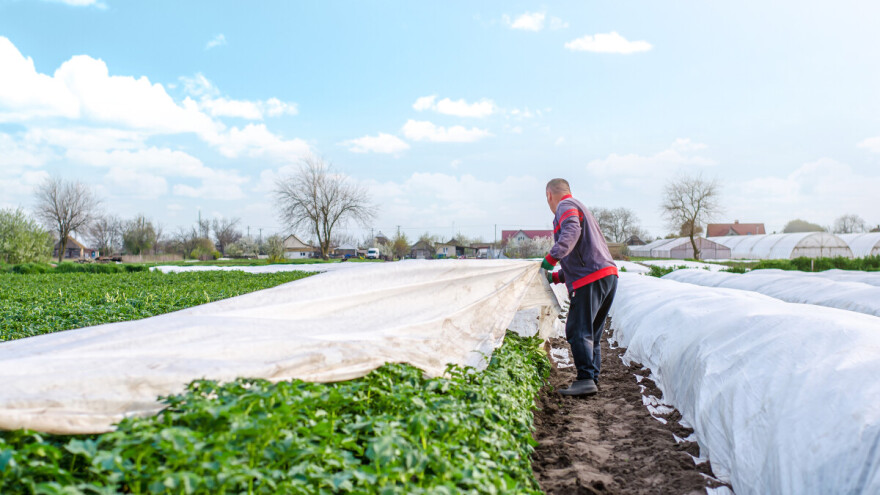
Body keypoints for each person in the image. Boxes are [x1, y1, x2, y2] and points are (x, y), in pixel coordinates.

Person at [541, 178, 618, 396]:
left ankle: (585, 379)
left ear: (549, 195)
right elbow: (583, 254)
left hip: (591, 278)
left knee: (577, 329)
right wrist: (556, 277)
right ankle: (591, 378)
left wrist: (551, 258)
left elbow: (571, 234)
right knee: (591, 332)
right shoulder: (581, 208)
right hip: (607, 276)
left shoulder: (565, 206)